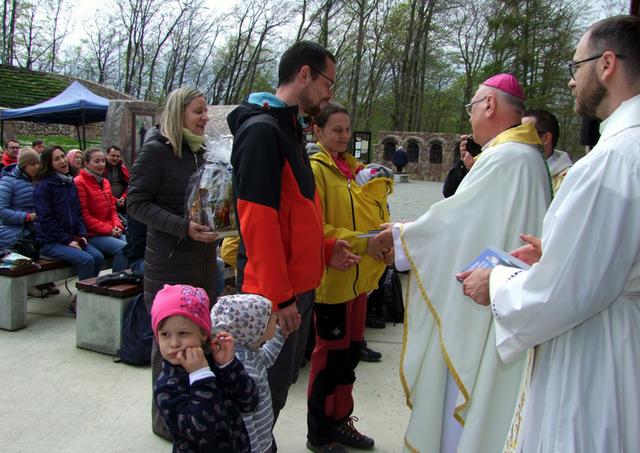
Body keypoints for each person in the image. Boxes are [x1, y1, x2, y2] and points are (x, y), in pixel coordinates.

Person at [458, 16, 640, 452]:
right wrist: (560, 251)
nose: (573, 82)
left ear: (607, 64)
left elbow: (561, 294)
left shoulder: (611, 161)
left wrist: (498, 281)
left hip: (594, 355)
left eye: (576, 67)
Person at [374, 73, 551, 453]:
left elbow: (455, 224)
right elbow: (467, 220)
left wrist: (402, 237)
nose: (471, 118)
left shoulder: (505, 157)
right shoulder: (529, 157)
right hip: (505, 299)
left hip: (484, 310)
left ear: (489, 105)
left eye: (472, 107)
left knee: (465, 408)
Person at [227, 40, 359, 448]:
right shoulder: (263, 131)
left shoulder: (287, 128)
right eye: (327, 82)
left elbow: (293, 217)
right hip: (273, 297)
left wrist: (323, 250)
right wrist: (281, 298)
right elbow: (257, 220)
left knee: (275, 390)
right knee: (257, 393)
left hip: (294, 290)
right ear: (304, 74)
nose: (329, 93)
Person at [127, 86, 219, 439]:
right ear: (178, 112)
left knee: (198, 341)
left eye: (206, 111)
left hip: (203, 263)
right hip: (169, 267)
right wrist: (183, 228)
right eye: (198, 111)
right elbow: (135, 203)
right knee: (168, 346)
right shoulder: (156, 152)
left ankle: (194, 415)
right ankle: (165, 420)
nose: (204, 117)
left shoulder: (202, 153)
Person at [306, 103, 392, 452]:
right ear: (317, 131)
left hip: (360, 280)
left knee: (351, 355)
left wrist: (385, 239)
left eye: (347, 129)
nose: (344, 136)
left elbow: (373, 213)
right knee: (329, 359)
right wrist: (367, 243)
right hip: (333, 283)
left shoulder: (354, 171)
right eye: (336, 130)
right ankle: (319, 433)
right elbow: (316, 228)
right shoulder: (315, 170)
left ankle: (341, 420)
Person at [151, 284, 259, 453]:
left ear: (203, 333)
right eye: (165, 334)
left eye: (183, 333)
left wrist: (229, 365)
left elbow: (249, 402)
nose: (174, 343)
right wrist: (200, 376)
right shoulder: (167, 385)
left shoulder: (215, 362)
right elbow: (200, 431)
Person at [211, 293, 285, 453]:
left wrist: (280, 334)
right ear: (255, 330)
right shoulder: (246, 371)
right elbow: (246, 421)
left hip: (264, 437)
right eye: (270, 317)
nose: (275, 317)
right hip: (255, 446)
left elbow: (267, 358)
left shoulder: (250, 352)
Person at [34, 147, 104, 312]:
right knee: (86, 260)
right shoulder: (44, 187)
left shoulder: (69, 183)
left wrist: (81, 234)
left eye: (63, 156)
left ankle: (87, 294)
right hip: (50, 241)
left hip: (72, 237)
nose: (63, 161)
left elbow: (78, 213)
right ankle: (81, 302)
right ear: (49, 164)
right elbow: (45, 220)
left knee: (98, 257)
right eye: (57, 159)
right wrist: (68, 240)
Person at [74, 148, 127, 272]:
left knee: (133, 246)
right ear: (86, 163)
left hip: (110, 229)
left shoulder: (105, 182)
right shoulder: (79, 183)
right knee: (124, 248)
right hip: (92, 233)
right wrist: (109, 230)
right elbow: (84, 216)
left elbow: (113, 210)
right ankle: (116, 282)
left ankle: (125, 281)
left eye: (103, 161)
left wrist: (117, 226)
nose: (101, 165)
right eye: (97, 161)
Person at [522, 109, 573, 194]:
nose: (515, 140)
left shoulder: (568, 181)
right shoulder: (514, 169)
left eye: (523, 134)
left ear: (545, 138)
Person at [0, 148, 40, 249]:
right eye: (33, 164)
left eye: (38, 163)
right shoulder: (7, 182)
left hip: (35, 227)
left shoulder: (37, 180)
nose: (37, 167)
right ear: (23, 166)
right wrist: (27, 217)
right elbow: (2, 210)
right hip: (13, 231)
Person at [103, 145, 129, 212]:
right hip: (106, 202)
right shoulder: (102, 168)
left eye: (117, 156)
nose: (115, 158)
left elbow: (129, 185)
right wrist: (115, 200)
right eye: (113, 155)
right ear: (107, 155)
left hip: (123, 201)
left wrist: (123, 197)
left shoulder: (123, 168)